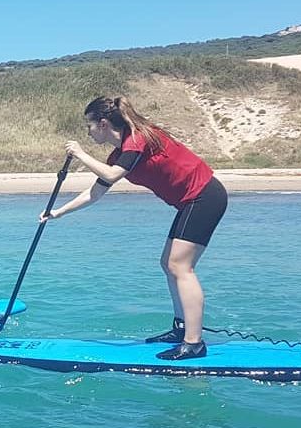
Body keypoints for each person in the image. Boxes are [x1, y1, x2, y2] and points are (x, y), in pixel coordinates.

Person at [41, 96, 228, 360]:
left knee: (180, 266)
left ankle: (194, 343)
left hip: (205, 196)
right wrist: (58, 212)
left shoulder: (137, 139)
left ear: (103, 124)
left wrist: (81, 154)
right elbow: (94, 193)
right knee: (169, 263)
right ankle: (181, 328)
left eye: (90, 126)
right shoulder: (120, 155)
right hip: (191, 202)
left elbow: (111, 175)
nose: (88, 132)